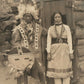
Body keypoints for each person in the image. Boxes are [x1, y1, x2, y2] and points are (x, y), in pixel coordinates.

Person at [11, 13, 46, 84]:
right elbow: (16, 42)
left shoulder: (38, 27)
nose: (27, 18)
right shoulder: (18, 28)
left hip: (36, 54)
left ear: (32, 17)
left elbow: (45, 33)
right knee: (23, 74)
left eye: (29, 16)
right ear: (22, 17)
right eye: (25, 16)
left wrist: (40, 23)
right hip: (24, 55)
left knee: (40, 72)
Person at [46, 12, 74, 84]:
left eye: (59, 17)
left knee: (66, 72)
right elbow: (48, 41)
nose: (57, 19)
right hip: (54, 52)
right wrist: (48, 53)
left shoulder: (66, 27)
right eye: (55, 17)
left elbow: (70, 40)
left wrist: (71, 52)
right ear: (53, 18)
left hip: (65, 51)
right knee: (56, 73)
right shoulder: (50, 28)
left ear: (61, 18)